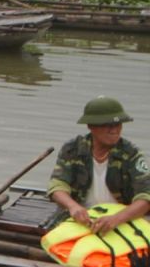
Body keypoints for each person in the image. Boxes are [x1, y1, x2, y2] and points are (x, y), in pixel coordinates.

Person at [48, 96, 150, 234]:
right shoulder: (73, 149)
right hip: (81, 221)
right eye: (107, 125)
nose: (114, 130)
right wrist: (73, 207)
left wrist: (116, 219)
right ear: (91, 126)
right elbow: (57, 186)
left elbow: (145, 196)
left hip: (121, 221)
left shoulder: (130, 153)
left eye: (118, 124)